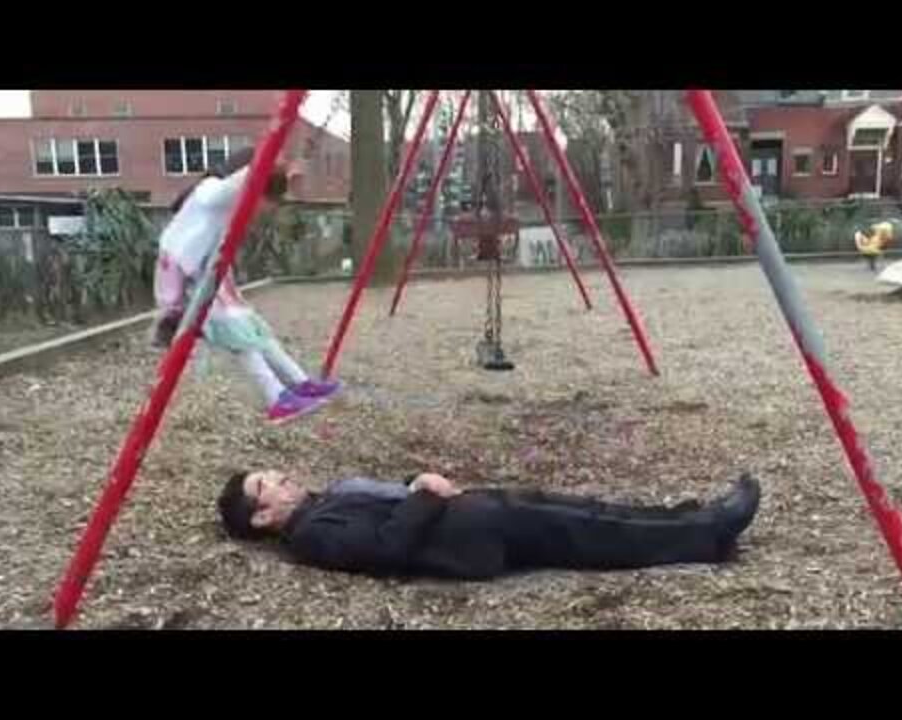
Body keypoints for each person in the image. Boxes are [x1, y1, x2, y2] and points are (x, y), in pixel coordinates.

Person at [216, 469, 761, 579]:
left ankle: (691, 519)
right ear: (264, 518)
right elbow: (386, 549)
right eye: (269, 485)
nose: (284, 478)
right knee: (589, 532)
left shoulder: (322, 503)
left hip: (472, 516)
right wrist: (427, 492)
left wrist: (414, 482)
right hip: (469, 538)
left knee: (590, 512)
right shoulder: (311, 534)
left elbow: (388, 503)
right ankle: (714, 533)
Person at [152, 147, 340, 425]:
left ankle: (299, 383)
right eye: (271, 199)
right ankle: (276, 398)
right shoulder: (211, 192)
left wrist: (282, 169)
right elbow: (233, 185)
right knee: (238, 334)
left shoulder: (228, 199)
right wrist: (264, 164)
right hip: (189, 271)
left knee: (253, 327)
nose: (271, 207)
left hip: (207, 268)